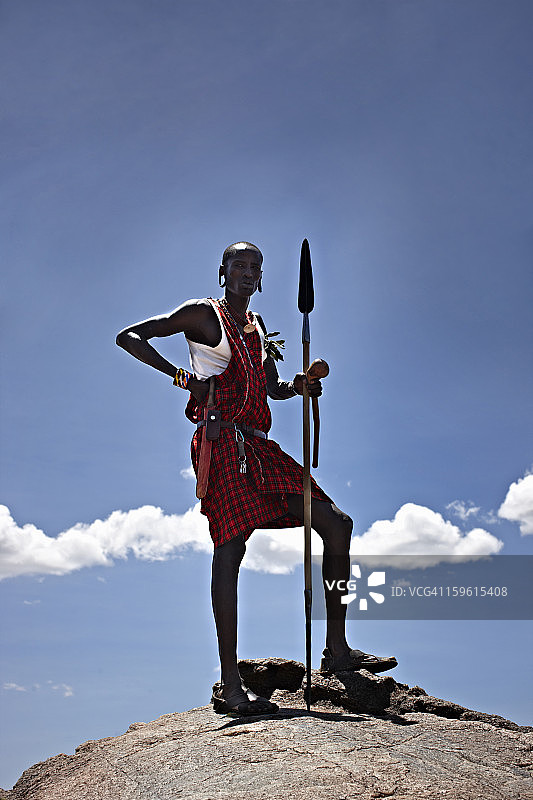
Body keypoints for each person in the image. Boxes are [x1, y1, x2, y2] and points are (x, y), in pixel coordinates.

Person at [116, 241, 397, 716]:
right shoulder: (203, 315)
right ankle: (230, 684)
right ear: (222, 271)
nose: (247, 273)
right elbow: (130, 336)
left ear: (263, 278)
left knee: (336, 523)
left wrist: (300, 386)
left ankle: (337, 649)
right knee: (230, 547)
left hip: (259, 447)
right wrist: (184, 378)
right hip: (221, 441)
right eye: (238, 265)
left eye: (255, 268)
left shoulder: (257, 327)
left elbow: (272, 389)